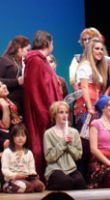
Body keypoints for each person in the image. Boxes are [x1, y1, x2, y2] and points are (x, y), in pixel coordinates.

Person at [23, 30, 62, 181]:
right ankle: (45, 177)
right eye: (52, 43)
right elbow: (35, 91)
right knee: (42, 144)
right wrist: (45, 112)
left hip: (50, 110)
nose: (53, 46)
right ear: (47, 43)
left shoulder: (42, 60)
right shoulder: (35, 61)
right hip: (43, 112)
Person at [74, 38, 108, 181]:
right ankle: (81, 179)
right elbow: (84, 87)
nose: (99, 51)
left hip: (96, 108)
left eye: (101, 49)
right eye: (96, 49)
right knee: (85, 145)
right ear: (90, 50)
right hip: (85, 109)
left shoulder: (98, 67)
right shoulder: (85, 66)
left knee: (93, 145)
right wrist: (89, 107)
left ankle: (91, 178)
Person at [43, 101, 87, 190]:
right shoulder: (48, 133)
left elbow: (78, 155)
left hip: (71, 169)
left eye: (66, 112)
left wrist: (69, 146)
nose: (65, 115)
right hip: (55, 169)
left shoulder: (74, 132)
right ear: (54, 115)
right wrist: (63, 143)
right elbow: (49, 157)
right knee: (66, 182)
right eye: (61, 112)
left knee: (80, 183)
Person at [1, 123, 45, 193]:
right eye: (17, 136)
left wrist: (33, 175)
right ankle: (8, 187)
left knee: (40, 186)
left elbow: (32, 169)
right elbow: (5, 170)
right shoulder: (7, 152)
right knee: (27, 186)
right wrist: (15, 175)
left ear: (26, 137)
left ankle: (27, 187)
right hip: (13, 179)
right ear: (12, 137)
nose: (20, 138)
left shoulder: (29, 152)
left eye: (23, 135)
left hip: (26, 179)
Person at [0, 35, 31, 115]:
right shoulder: (4, 60)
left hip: (20, 104)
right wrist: (16, 81)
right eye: (27, 50)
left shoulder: (21, 63)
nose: (29, 53)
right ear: (19, 49)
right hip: (8, 104)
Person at [0, 81, 22, 154]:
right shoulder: (3, 104)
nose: (4, 86)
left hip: (16, 133)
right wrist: (5, 107)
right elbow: (5, 126)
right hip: (4, 139)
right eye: (0, 86)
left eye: (3, 84)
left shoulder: (9, 99)